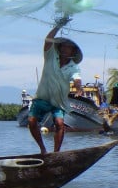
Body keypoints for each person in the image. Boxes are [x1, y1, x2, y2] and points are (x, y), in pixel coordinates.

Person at [28, 17, 83, 154]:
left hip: (59, 101)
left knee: (59, 123)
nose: (65, 49)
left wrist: (78, 89)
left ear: (73, 52)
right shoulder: (50, 56)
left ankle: (56, 153)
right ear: (60, 47)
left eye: (69, 48)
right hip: (43, 96)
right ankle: (42, 149)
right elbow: (48, 40)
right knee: (31, 121)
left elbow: (77, 80)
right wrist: (58, 26)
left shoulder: (73, 67)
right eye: (64, 46)